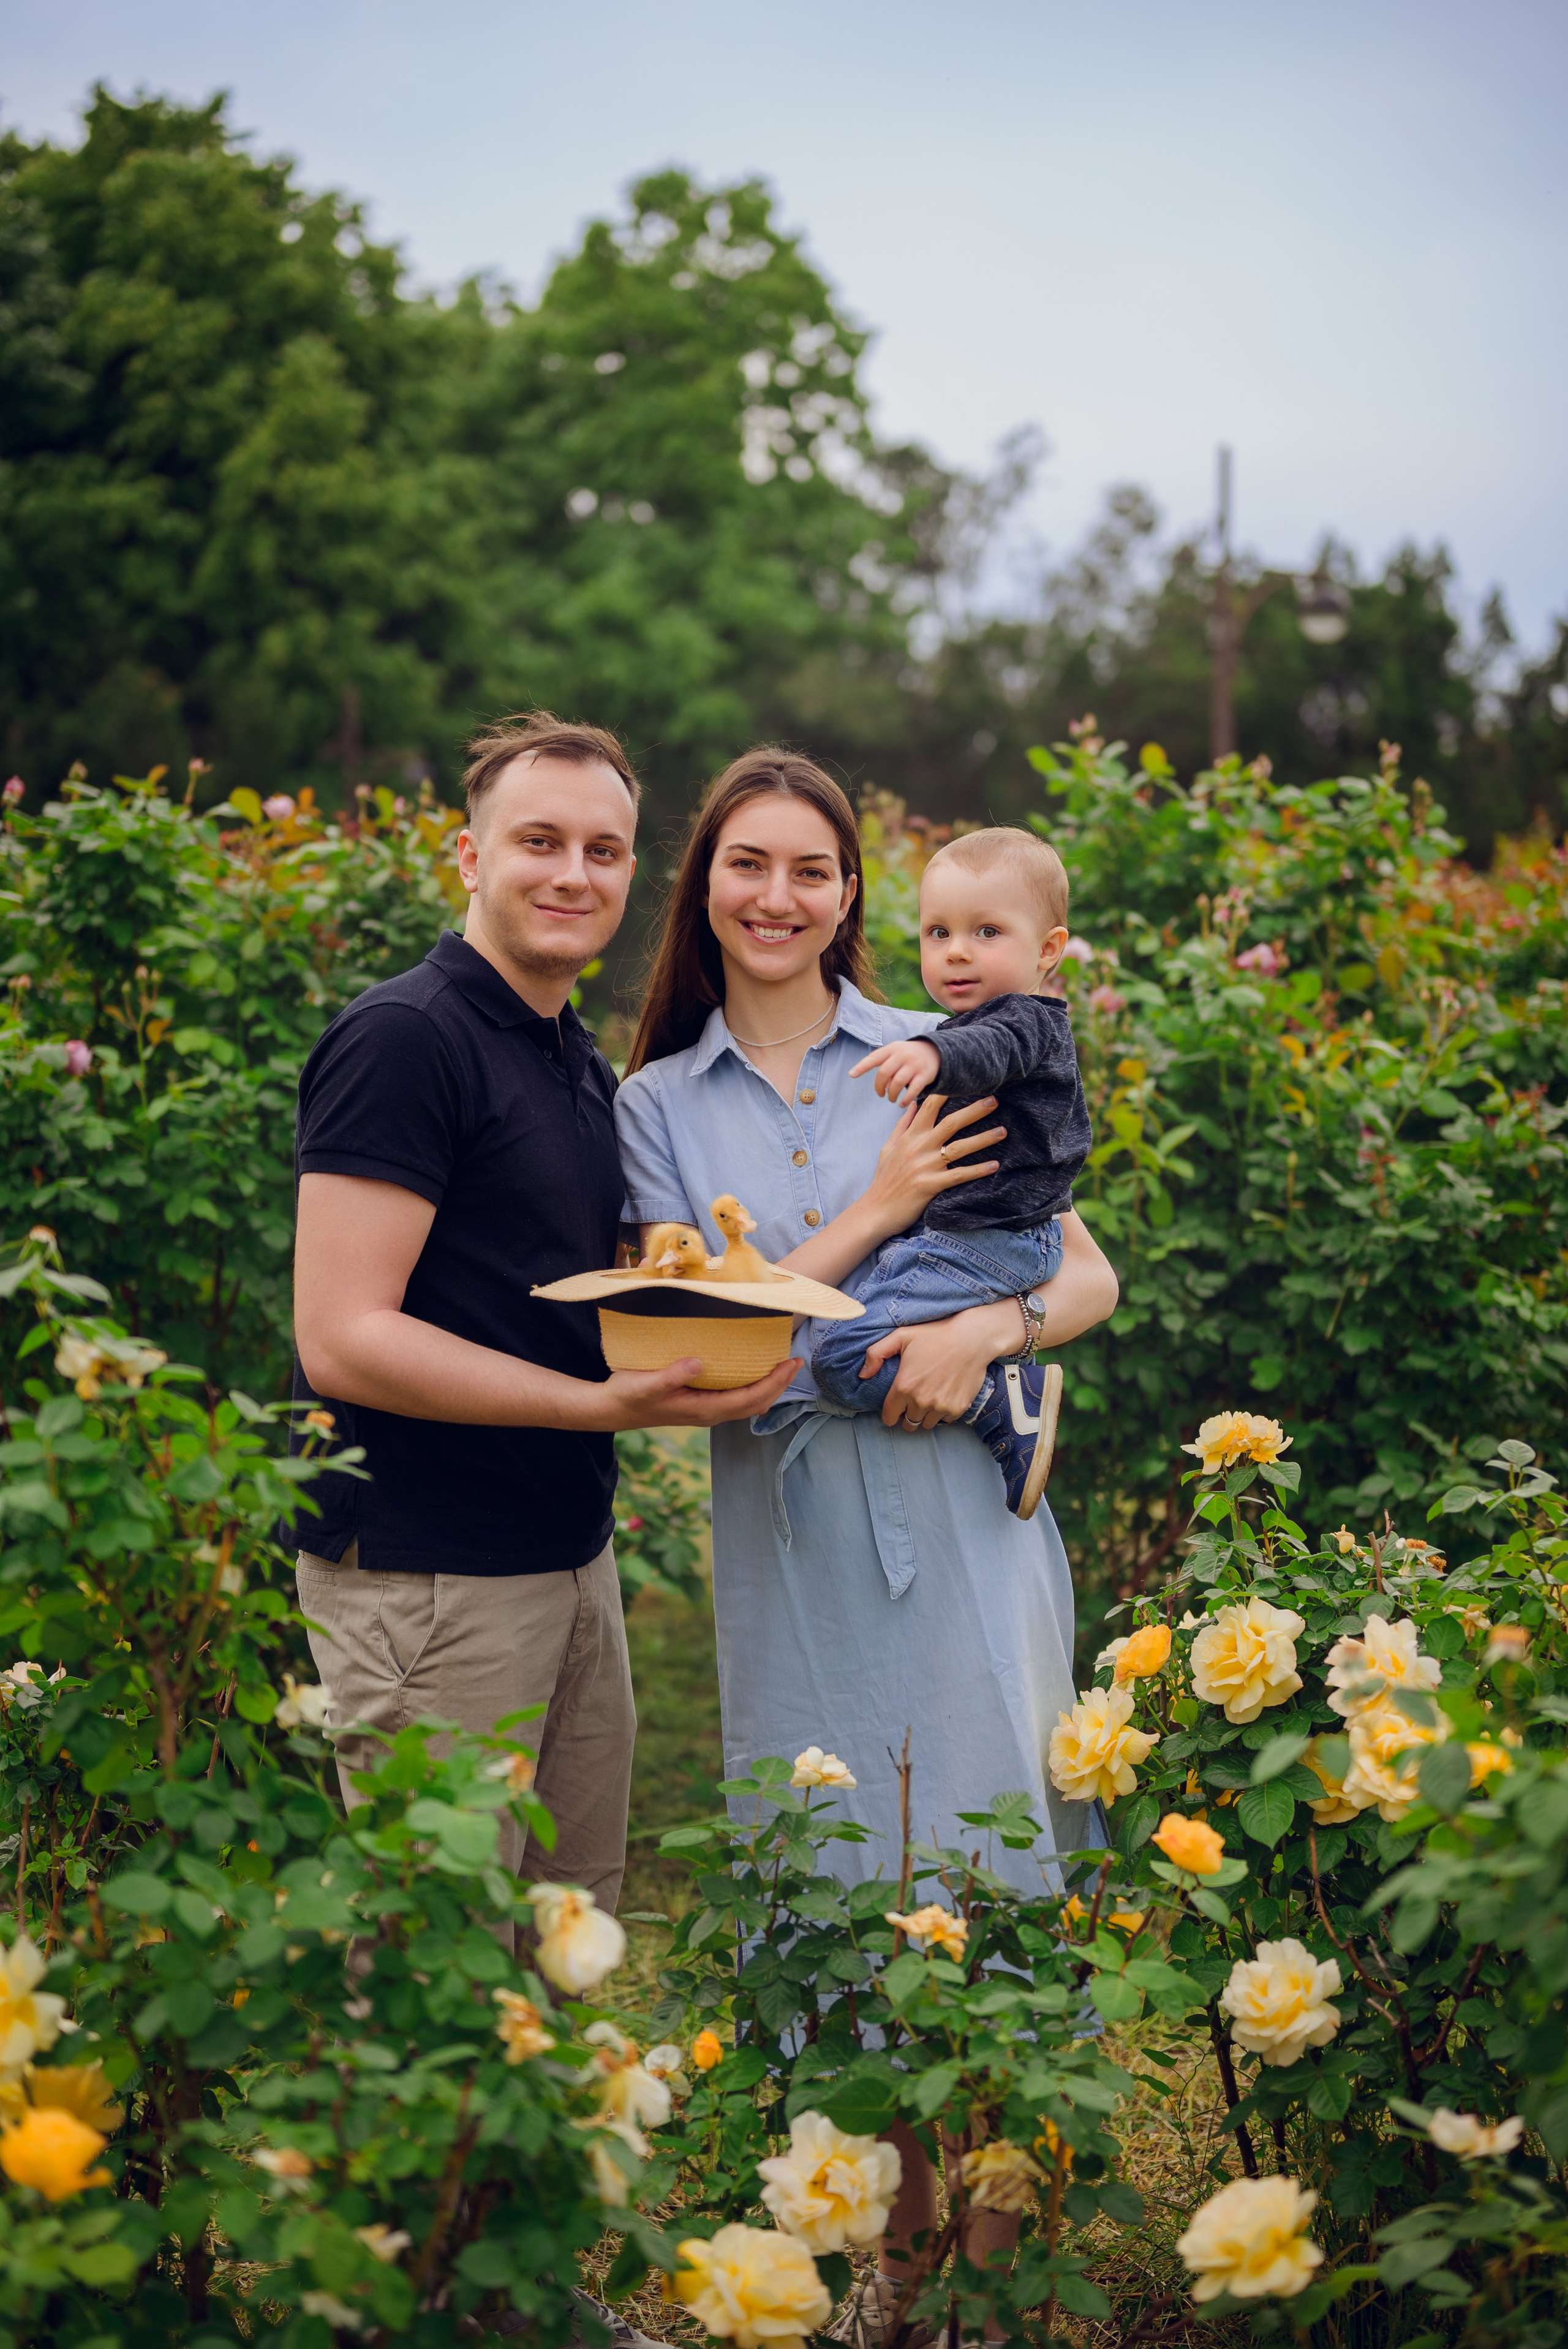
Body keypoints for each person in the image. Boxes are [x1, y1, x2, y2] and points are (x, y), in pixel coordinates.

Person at [612, 747, 1119, 2344]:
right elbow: (689, 1357)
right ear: (704, 886)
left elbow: (1083, 1274)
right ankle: (896, 2261)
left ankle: (989, 2269)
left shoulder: (939, 1038)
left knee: (988, 1871)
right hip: (795, 1530)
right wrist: (880, 1207)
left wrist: (984, 1334)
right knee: (840, 1884)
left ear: (848, 896)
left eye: (811, 870)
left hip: (967, 1515)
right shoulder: (655, 1104)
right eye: (746, 864)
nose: (777, 897)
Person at [289, 715, 799, 1918]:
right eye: (539, 841)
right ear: (470, 858)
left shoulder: (570, 1055)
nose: (574, 874)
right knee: (436, 1954)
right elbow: (342, 1337)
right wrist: (596, 1405)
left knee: (566, 1936)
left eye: (603, 850)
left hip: (566, 1557)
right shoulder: (406, 1040)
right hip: (430, 1574)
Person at [812, 826, 1090, 1519]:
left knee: (843, 1355)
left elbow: (992, 1047)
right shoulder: (970, 1027)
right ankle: (997, 1389)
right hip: (982, 1237)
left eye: (987, 931)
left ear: (1048, 949)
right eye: (937, 932)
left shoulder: (1027, 1023)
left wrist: (934, 1056)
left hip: (993, 1241)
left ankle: (998, 1400)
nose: (956, 950)